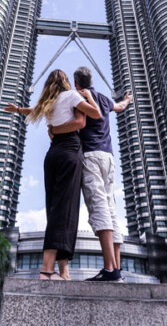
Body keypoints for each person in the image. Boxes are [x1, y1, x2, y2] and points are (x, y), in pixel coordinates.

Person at [4, 69, 101, 281]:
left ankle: (64, 272)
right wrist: (89, 97)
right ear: (66, 82)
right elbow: (92, 116)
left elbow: (33, 110)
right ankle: (47, 270)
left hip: (53, 155)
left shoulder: (50, 102)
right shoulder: (71, 96)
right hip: (68, 152)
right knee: (65, 211)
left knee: (55, 210)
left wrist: (18, 109)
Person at [48, 67, 132, 282]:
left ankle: (109, 270)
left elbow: (77, 121)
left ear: (76, 83)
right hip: (109, 158)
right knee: (111, 208)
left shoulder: (79, 96)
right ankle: (117, 269)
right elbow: (120, 107)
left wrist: (54, 130)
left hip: (91, 156)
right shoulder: (103, 98)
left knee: (98, 207)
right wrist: (128, 100)